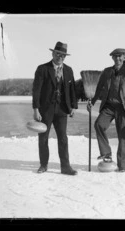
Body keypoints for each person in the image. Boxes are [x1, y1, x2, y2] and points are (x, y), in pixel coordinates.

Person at [87, 48, 125, 172]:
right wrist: (92, 101)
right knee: (99, 124)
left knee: (122, 136)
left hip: (123, 108)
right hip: (108, 107)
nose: (118, 59)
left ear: (124, 57)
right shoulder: (106, 72)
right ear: (112, 58)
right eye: (115, 56)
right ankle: (106, 152)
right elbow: (98, 88)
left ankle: (122, 166)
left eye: (120, 56)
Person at [32, 41, 78, 175]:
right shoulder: (42, 69)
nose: (60, 57)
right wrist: (36, 109)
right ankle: (43, 165)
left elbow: (72, 90)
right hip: (45, 110)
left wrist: (73, 107)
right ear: (53, 53)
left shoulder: (68, 70)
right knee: (43, 138)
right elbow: (36, 90)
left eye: (63, 55)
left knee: (63, 138)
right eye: (58, 54)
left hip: (62, 109)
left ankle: (65, 167)